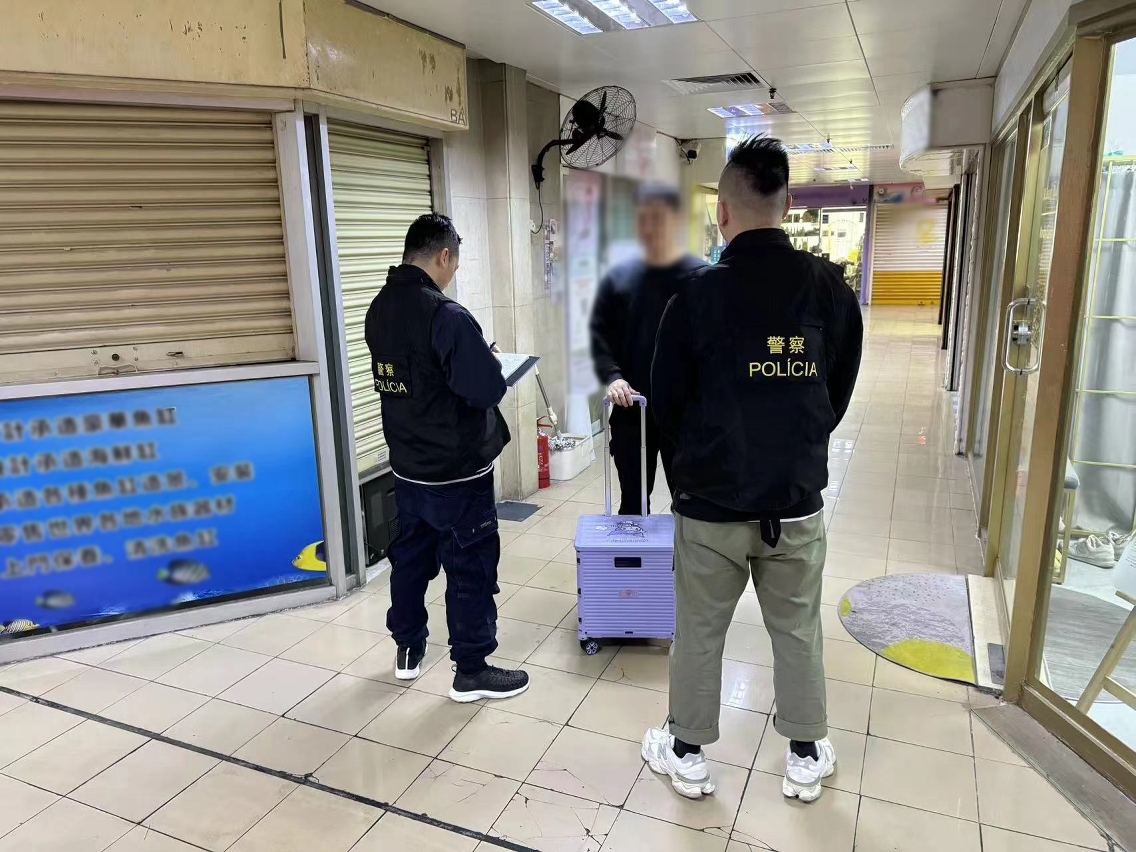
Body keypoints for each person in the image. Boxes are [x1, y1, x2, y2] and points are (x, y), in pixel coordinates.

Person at [641, 136, 863, 802]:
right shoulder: (828, 288)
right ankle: (805, 753)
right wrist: (798, 440)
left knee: (700, 629)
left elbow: (665, 400)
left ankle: (687, 754)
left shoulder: (694, 297)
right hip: (794, 501)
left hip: (710, 504)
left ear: (723, 214)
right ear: (787, 206)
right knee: (797, 630)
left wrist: (693, 473)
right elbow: (838, 386)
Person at [365, 213, 529, 703]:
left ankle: (408, 648)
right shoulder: (447, 315)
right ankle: (472, 670)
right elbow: (484, 389)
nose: (454, 272)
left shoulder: (379, 307)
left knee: (410, 560)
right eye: (455, 262)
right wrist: (489, 360)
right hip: (457, 475)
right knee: (470, 567)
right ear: (443, 255)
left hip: (407, 469)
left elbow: (417, 379)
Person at [589, 183, 705, 514]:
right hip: (632, 408)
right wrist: (613, 377)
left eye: (659, 218)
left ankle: (683, 551)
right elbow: (598, 336)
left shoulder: (700, 277)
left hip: (685, 414)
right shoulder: (617, 278)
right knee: (633, 503)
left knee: (690, 503)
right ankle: (635, 549)